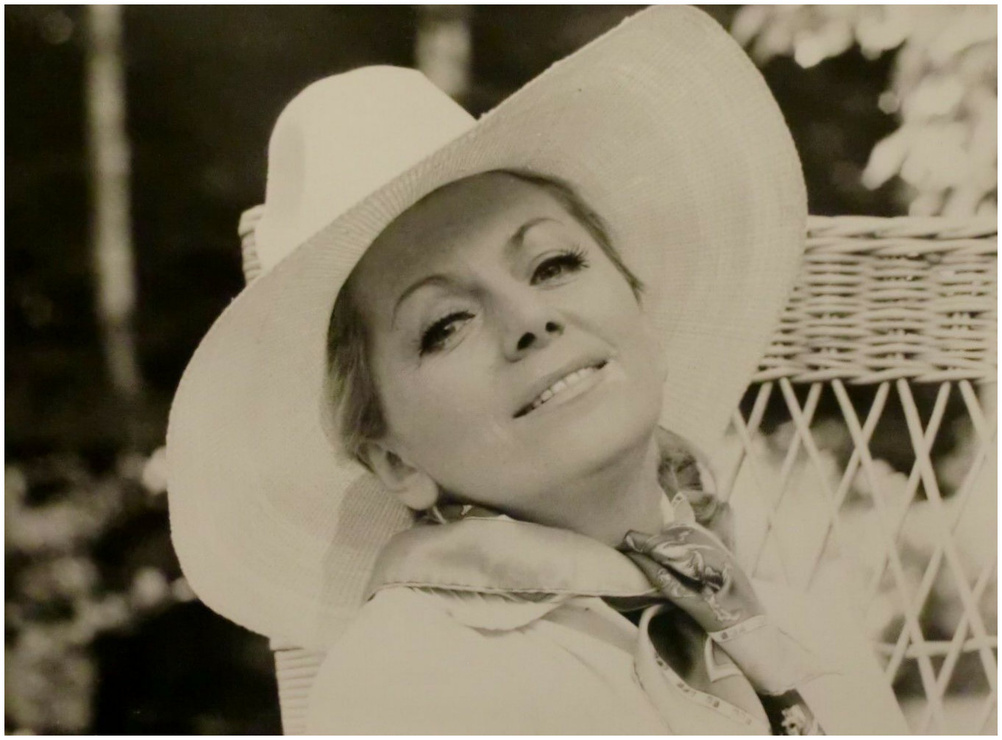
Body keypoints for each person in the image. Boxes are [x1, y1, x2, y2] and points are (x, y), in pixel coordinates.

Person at [167, 6, 909, 734]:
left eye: (553, 264)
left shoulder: (802, 633)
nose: (529, 318)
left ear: (641, 308)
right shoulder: (413, 686)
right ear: (394, 461)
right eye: (446, 325)